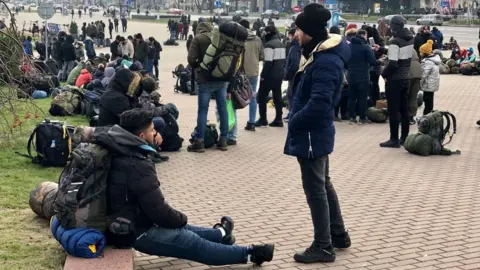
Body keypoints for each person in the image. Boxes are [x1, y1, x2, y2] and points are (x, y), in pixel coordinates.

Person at [97, 109, 274, 266]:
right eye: (152, 130)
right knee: (191, 242)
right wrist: (181, 218)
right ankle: (251, 253)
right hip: (134, 232)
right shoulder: (136, 165)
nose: (156, 134)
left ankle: (221, 233)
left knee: (183, 229)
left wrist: (178, 221)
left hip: (127, 222)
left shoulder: (119, 149)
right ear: (142, 137)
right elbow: (159, 211)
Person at [284, 3, 351, 264]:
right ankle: (338, 234)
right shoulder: (320, 54)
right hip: (314, 131)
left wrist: (296, 121)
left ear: (310, 31)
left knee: (315, 190)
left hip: (312, 132)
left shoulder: (325, 61)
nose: (295, 35)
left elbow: (321, 102)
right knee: (323, 183)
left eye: (298, 30)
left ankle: (323, 246)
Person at [186, 22, 229, 152]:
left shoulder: (198, 39)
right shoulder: (220, 37)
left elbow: (191, 59)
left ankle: (199, 141)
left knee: (203, 110)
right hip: (221, 79)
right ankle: (223, 140)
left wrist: (198, 66)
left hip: (205, 79)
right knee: (222, 108)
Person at [380, 15, 414, 148]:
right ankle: (404, 137)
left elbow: (393, 63)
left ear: (393, 26)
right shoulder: (410, 39)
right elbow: (401, 56)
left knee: (393, 110)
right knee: (404, 110)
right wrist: (383, 49)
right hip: (406, 77)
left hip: (394, 80)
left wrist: (383, 74)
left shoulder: (395, 41)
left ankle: (394, 139)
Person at [347, 29, 381, 124]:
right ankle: (362, 118)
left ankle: (352, 117)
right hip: (363, 75)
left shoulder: (349, 46)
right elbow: (373, 61)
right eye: (366, 36)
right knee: (362, 97)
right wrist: (381, 61)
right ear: (363, 36)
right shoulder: (366, 47)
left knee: (352, 97)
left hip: (351, 75)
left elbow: (345, 60)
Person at [255, 25, 286, 128]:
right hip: (279, 74)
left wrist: (263, 75)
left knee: (261, 96)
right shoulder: (281, 44)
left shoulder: (269, 45)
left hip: (269, 75)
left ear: (268, 33)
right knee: (277, 97)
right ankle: (278, 119)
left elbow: (268, 62)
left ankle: (263, 119)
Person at [238, 19, 265, 132]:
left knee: (232, 95)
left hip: (241, 72)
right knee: (253, 96)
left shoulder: (239, 38)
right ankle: (251, 122)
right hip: (254, 71)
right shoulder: (257, 39)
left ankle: (231, 126)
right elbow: (262, 56)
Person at [283, 27, 301, 122]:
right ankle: (291, 113)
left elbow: (294, 63)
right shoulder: (295, 46)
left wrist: (287, 73)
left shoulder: (294, 47)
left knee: (292, 95)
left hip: (293, 75)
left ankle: (292, 114)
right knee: (291, 95)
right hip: (295, 74)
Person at [419, 40, 441, 115]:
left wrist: (419, 83)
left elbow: (423, 74)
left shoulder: (428, 62)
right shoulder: (434, 59)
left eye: (421, 52)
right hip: (432, 83)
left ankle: (427, 114)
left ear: (425, 52)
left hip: (428, 84)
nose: (420, 53)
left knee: (427, 100)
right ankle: (429, 113)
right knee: (430, 99)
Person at [407, 47, 422, 125]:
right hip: (417, 74)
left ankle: (404, 117)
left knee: (405, 96)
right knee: (413, 97)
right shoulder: (413, 49)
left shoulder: (400, 49)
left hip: (407, 75)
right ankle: (411, 117)